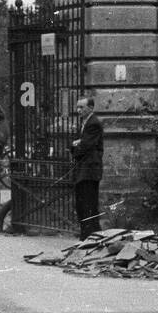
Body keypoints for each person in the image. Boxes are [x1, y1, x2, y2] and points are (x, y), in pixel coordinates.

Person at [71, 96, 105, 239]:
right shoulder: (85, 122)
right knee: (83, 202)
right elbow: (83, 143)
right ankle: (89, 233)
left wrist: (74, 147)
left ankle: (90, 234)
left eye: (81, 108)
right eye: (77, 107)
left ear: (90, 108)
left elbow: (85, 146)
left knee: (88, 202)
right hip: (85, 168)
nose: (78, 110)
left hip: (90, 169)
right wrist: (78, 144)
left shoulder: (93, 123)